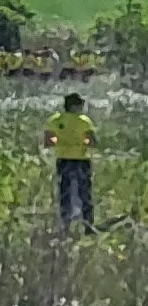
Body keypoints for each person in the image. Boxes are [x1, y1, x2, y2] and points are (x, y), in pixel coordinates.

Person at [49, 92, 99, 232]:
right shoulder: (84, 121)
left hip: (63, 160)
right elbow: (92, 142)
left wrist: (62, 143)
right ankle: (88, 225)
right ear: (75, 106)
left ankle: (65, 225)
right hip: (81, 160)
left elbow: (49, 140)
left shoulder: (55, 120)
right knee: (84, 193)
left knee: (65, 192)